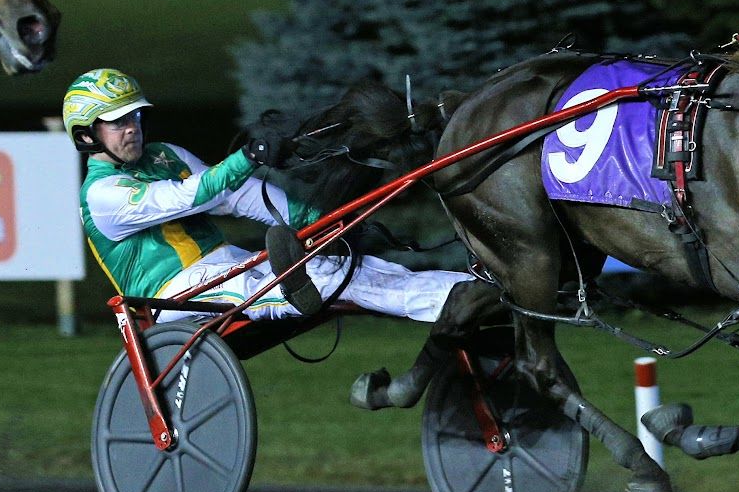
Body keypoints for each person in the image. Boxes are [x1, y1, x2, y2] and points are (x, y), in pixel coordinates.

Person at [62, 67, 472, 323]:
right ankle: (446, 302)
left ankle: (464, 289)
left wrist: (307, 218)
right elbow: (187, 196)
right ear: (86, 135)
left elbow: (233, 196)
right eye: (116, 122)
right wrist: (248, 155)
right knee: (324, 282)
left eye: (135, 116)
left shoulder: (166, 154)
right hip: (172, 297)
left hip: (224, 264)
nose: (132, 127)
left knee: (342, 267)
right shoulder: (101, 195)